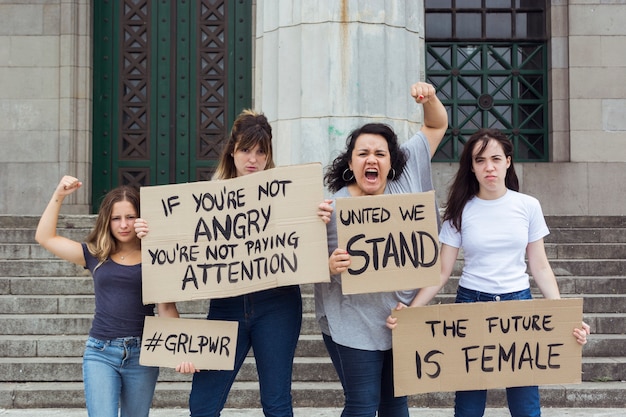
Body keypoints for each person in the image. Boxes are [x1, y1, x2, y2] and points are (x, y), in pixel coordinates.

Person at [134, 109, 332, 417]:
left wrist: (317, 218)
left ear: (268, 156)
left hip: (277, 305)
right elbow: (174, 242)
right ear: (232, 150)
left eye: (260, 152)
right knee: (202, 404)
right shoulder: (207, 198)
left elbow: (305, 244)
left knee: (277, 403)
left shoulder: (288, 193)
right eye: (245, 150)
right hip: (227, 307)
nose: (252, 159)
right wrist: (150, 231)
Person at [386, 128, 591, 417]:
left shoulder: (528, 206)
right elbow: (442, 272)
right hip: (471, 305)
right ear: (471, 167)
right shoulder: (460, 210)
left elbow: (540, 265)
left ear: (508, 161)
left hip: (518, 305)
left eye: (495, 158)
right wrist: (410, 310)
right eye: (480, 160)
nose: (489, 167)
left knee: (525, 404)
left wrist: (564, 315)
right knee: (468, 405)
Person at [314, 81, 448, 417]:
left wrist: (428, 97)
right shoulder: (330, 207)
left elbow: (436, 125)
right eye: (362, 153)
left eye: (379, 153)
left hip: (399, 317)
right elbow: (300, 262)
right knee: (361, 405)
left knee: (395, 404)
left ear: (392, 162)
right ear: (350, 162)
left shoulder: (407, 180)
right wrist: (328, 265)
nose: (371, 159)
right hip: (350, 322)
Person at [35, 176, 179, 417]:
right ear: (107, 221)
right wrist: (58, 195)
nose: (123, 224)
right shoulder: (95, 254)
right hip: (100, 352)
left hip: (143, 353)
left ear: (141, 218)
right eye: (116, 218)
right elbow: (45, 237)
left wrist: (182, 351)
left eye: (130, 217)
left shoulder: (157, 256)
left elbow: (166, 308)